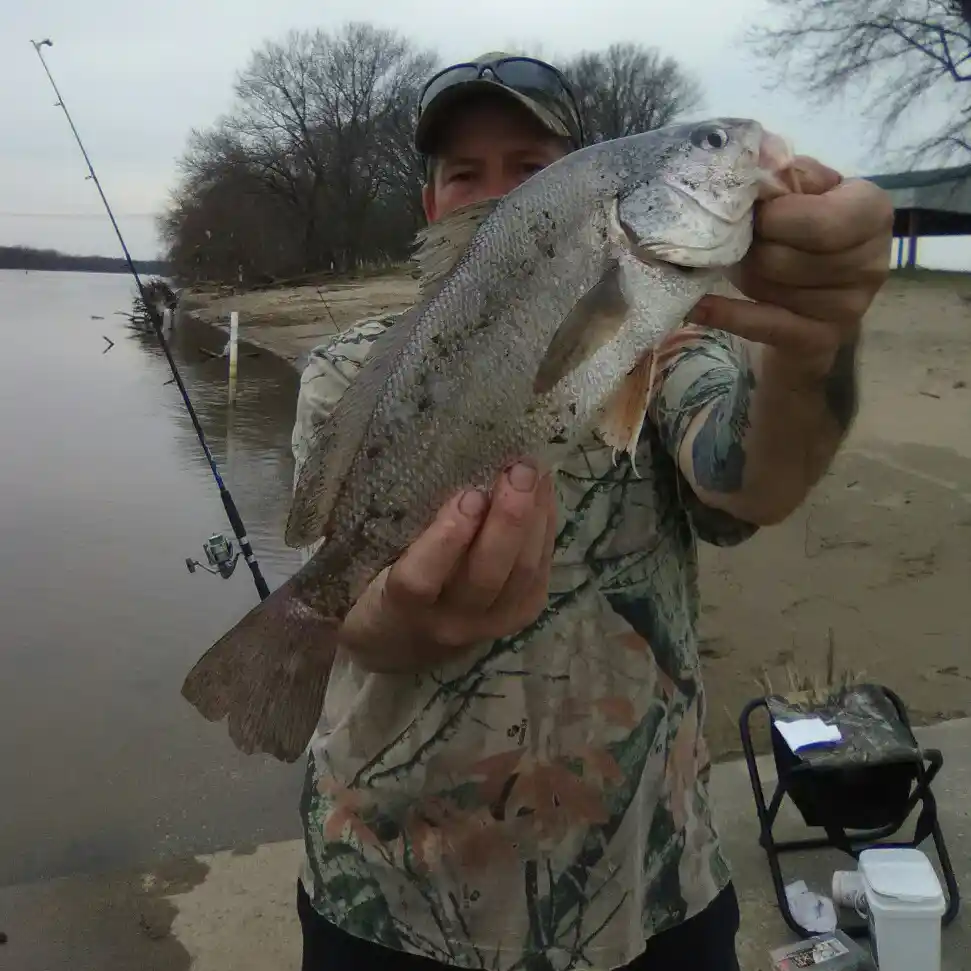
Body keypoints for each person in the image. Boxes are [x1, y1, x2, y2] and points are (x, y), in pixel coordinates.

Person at [290, 52, 893, 971]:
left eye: (532, 170)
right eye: (463, 173)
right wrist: (379, 625)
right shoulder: (349, 370)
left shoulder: (672, 340)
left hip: (647, 890)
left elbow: (755, 485)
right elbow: (355, 604)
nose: (495, 192)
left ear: (586, 192)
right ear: (431, 209)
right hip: (382, 893)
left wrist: (818, 344)